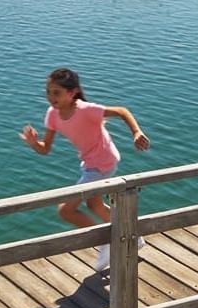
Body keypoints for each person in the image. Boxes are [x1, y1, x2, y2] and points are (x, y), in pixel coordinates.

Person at [20, 67, 150, 272]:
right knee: (94, 205)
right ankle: (133, 236)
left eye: (56, 92)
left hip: (102, 162)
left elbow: (121, 111)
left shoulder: (86, 110)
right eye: (48, 92)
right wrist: (33, 143)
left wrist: (136, 132)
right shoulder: (53, 115)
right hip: (91, 164)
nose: (51, 97)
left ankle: (105, 242)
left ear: (72, 93)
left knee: (66, 210)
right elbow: (45, 149)